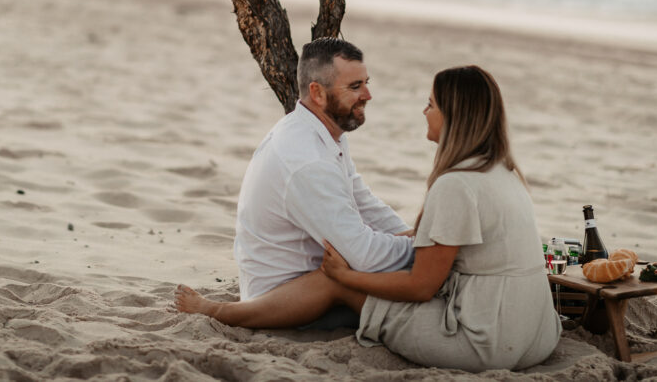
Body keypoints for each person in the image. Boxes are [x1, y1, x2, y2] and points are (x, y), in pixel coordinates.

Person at [176, 65, 561, 372]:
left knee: (330, 281)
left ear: (453, 115)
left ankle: (219, 312)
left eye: (431, 104)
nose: (424, 111)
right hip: (537, 336)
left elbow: (420, 288)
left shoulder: (456, 185)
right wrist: (414, 241)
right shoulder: (502, 172)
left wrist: (346, 278)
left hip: (484, 342)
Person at [179, 38, 414, 325]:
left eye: (366, 83)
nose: (368, 95)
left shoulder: (322, 132)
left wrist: (415, 238)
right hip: (288, 298)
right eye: (355, 87)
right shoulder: (307, 158)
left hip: (309, 280)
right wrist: (429, 248)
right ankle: (219, 312)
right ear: (317, 92)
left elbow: (366, 205)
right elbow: (365, 257)